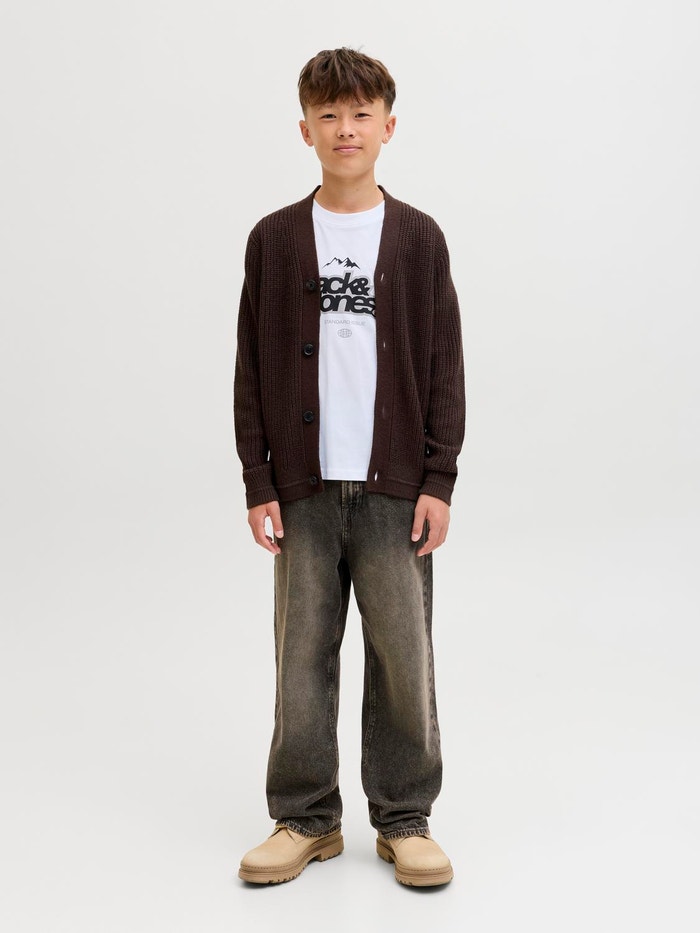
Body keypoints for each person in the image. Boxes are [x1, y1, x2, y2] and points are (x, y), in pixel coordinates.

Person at [234, 47, 465, 887]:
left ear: (388, 127)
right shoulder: (273, 239)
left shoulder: (418, 238)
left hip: (394, 488)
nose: (345, 128)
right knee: (302, 655)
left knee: (404, 655)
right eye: (328, 114)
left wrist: (438, 478)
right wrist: (258, 479)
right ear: (305, 129)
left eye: (361, 114)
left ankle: (404, 818)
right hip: (302, 488)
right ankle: (305, 816)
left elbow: (443, 362)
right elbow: (251, 366)